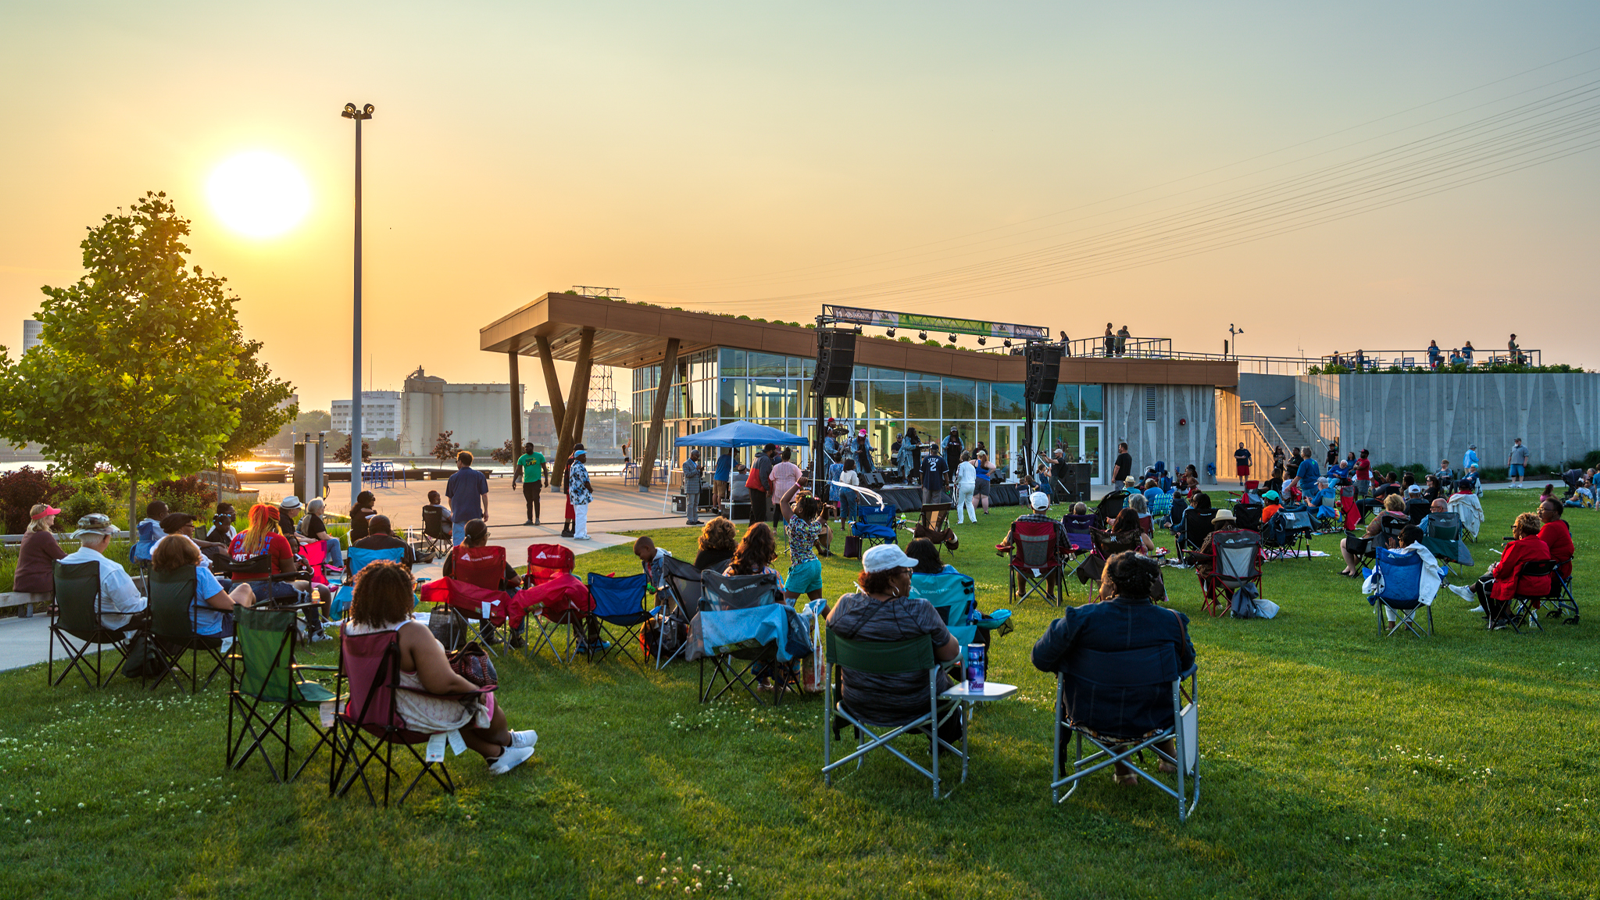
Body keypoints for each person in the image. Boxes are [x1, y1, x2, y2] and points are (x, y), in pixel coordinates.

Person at [343, 560, 537, 774]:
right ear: (400, 596)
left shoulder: (350, 629)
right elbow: (442, 683)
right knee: (479, 696)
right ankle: (507, 740)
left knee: (462, 698)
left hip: (364, 712)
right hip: (407, 717)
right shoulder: (409, 632)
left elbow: (346, 672)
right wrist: (476, 691)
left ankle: (497, 754)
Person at [1032, 552, 1194, 786]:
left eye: (1102, 581)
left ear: (1111, 586)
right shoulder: (1172, 621)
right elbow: (1187, 664)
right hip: (1155, 716)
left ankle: (1125, 771)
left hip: (1092, 714)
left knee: (1113, 692)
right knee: (1144, 692)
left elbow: (1040, 657)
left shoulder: (1081, 619)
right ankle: (1169, 758)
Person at [827, 544, 962, 744]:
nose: (911, 577)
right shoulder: (920, 611)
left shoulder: (844, 607)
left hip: (859, 702)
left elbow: (830, 625)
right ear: (891, 580)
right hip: (915, 704)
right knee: (946, 686)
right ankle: (946, 737)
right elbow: (951, 654)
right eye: (907, 572)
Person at [151, 527, 251, 640]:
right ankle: (251, 631)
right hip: (207, 633)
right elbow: (229, 607)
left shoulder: (157, 575)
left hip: (169, 631)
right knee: (245, 588)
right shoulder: (199, 574)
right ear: (190, 551)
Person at [59, 514, 146, 631]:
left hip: (72, 625)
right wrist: (153, 600)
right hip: (108, 626)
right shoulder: (110, 569)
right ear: (105, 538)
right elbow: (133, 607)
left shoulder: (63, 564)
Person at [1470, 513, 1551, 629]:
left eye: (1514, 527)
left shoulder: (1516, 546)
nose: (1513, 530)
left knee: (1482, 583)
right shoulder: (1543, 545)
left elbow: (1501, 572)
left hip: (1522, 586)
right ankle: (1507, 615)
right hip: (1542, 586)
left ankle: (1495, 619)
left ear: (1521, 530)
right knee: (1494, 581)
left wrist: (1494, 569)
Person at [12, 504, 66, 612]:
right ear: (45, 518)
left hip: (22, 580)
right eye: (52, 515)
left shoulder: (29, 533)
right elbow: (61, 557)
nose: (54, 517)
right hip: (36, 581)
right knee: (71, 574)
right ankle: (56, 606)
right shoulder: (43, 536)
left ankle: (56, 604)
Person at [1339, 494, 1405, 577]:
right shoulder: (1406, 518)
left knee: (1344, 542)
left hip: (1378, 547)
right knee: (1360, 547)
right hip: (1397, 548)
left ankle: (1352, 571)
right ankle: (1347, 569)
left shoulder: (1384, 515)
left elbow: (1371, 529)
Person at [780, 489, 829, 603]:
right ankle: (832, 621)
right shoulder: (814, 526)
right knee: (818, 603)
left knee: (785, 603)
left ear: (800, 510)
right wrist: (825, 510)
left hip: (802, 566)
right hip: (814, 564)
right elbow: (823, 518)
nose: (794, 506)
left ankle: (784, 621)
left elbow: (783, 502)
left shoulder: (796, 523)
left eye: (796, 505)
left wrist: (797, 485)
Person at [997, 492, 1073, 557]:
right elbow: (1067, 547)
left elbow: (1008, 542)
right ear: (1048, 507)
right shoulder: (1057, 525)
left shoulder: (1020, 521)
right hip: (1049, 566)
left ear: (1031, 506)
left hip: (1023, 566)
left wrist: (1002, 545)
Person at [445, 451, 490, 546]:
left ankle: (460, 559)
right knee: (476, 542)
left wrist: (453, 511)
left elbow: (450, 499)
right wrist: (486, 511)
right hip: (475, 515)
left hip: (459, 515)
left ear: (460, 462)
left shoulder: (453, 478)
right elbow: (484, 495)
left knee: (458, 544)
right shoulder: (479, 476)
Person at [351, 514, 418, 569]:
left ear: (369, 531)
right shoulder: (400, 545)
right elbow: (407, 569)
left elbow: (352, 569)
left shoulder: (358, 545)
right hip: (392, 583)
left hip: (364, 583)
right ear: (389, 530)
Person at [299, 497, 345, 570]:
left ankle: (324, 564)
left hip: (310, 546)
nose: (324, 508)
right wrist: (334, 538)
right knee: (334, 542)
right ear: (318, 509)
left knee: (330, 542)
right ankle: (338, 566)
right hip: (315, 546)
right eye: (323, 507)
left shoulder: (307, 518)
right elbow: (322, 536)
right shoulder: (316, 520)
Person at [1536, 499, 1574, 582]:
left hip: (1552, 571)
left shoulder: (1550, 527)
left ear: (1555, 512)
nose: (1539, 512)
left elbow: (1536, 550)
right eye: (1538, 509)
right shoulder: (1561, 524)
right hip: (1563, 569)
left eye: (1543, 509)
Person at [513, 442, 546, 526]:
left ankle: (537, 519)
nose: (526, 448)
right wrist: (514, 480)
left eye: (527, 447)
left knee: (536, 499)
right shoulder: (522, 458)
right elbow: (518, 470)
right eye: (525, 447)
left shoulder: (539, 456)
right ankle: (529, 519)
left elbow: (544, 468)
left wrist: (546, 480)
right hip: (527, 482)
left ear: (532, 447)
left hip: (536, 482)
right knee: (528, 501)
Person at [567, 445, 593, 540]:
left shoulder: (574, 465)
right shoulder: (579, 466)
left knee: (580, 514)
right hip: (581, 495)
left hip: (575, 495)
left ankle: (583, 533)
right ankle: (579, 534)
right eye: (583, 456)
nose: (585, 458)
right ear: (578, 457)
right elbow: (584, 480)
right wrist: (590, 488)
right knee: (581, 514)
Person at [132, 500, 168, 568]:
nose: (168, 514)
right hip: (158, 558)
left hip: (144, 555)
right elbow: (172, 538)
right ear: (161, 515)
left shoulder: (144, 524)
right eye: (167, 512)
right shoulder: (156, 526)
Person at [747, 444, 775, 527]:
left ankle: (751, 530)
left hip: (753, 486)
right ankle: (758, 532)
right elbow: (763, 475)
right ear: (770, 451)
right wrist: (768, 489)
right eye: (774, 451)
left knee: (754, 512)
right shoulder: (765, 459)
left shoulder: (757, 457)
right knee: (760, 513)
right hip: (758, 487)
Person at [770, 449, 803, 522]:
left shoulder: (776, 467)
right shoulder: (794, 467)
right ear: (789, 457)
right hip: (791, 490)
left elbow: (771, 478)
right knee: (793, 508)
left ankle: (774, 529)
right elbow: (799, 478)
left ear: (782, 457)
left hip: (779, 490)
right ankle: (793, 524)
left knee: (777, 509)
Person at [950, 451, 978, 525]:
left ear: (961, 457)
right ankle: (973, 519)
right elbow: (974, 477)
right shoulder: (972, 466)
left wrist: (955, 482)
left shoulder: (961, 465)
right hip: (972, 484)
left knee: (960, 503)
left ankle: (960, 520)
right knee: (969, 503)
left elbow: (959, 475)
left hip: (963, 485)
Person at [683, 449, 705, 526]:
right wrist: (696, 470)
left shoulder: (696, 464)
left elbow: (698, 475)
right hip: (690, 487)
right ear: (692, 455)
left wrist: (701, 471)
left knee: (696, 504)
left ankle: (695, 519)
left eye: (698, 457)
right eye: (697, 456)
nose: (697, 458)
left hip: (697, 487)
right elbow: (687, 475)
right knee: (690, 503)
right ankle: (690, 519)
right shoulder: (686, 464)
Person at [836, 458, 861, 525]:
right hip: (850, 490)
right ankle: (852, 524)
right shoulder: (853, 473)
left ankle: (842, 526)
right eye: (854, 464)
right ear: (851, 465)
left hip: (842, 490)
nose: (855, 465)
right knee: (852, 508)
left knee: (843, 509)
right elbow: (855, 485)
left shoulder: (843, 472)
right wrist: (858, 496)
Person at [973, 450, 994, 515]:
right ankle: (986, 511)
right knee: (984, 497)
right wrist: (989, 473)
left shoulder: (975, 462)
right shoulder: (987, 463)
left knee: (975, 497)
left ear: (978, 456)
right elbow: (994, 467)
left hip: (976, 480)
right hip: (985, 480)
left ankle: (972, 511)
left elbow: (966, 464)